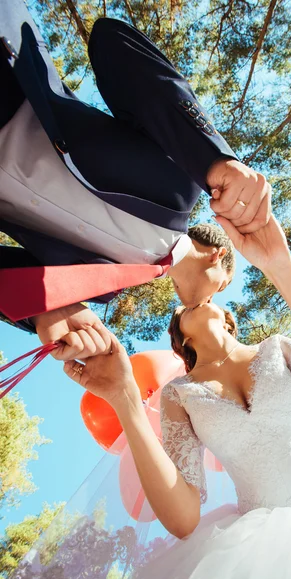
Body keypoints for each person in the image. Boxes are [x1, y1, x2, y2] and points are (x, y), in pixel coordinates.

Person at [55, 214, 291, 579]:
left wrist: (281, 268)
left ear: (228, 320)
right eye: (182, 310)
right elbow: (185, 519)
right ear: (180, 340)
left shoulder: (275, 348)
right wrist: (125, 399)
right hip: (261, 555)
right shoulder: (179, 394)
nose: (195, 301)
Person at [0, 2, 271, 361]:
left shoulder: (102, 289)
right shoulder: (183, 183)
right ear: (218, 257)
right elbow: (112, 43)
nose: (213, 299)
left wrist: (41, 310)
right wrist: (213, 157)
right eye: (223, 287)